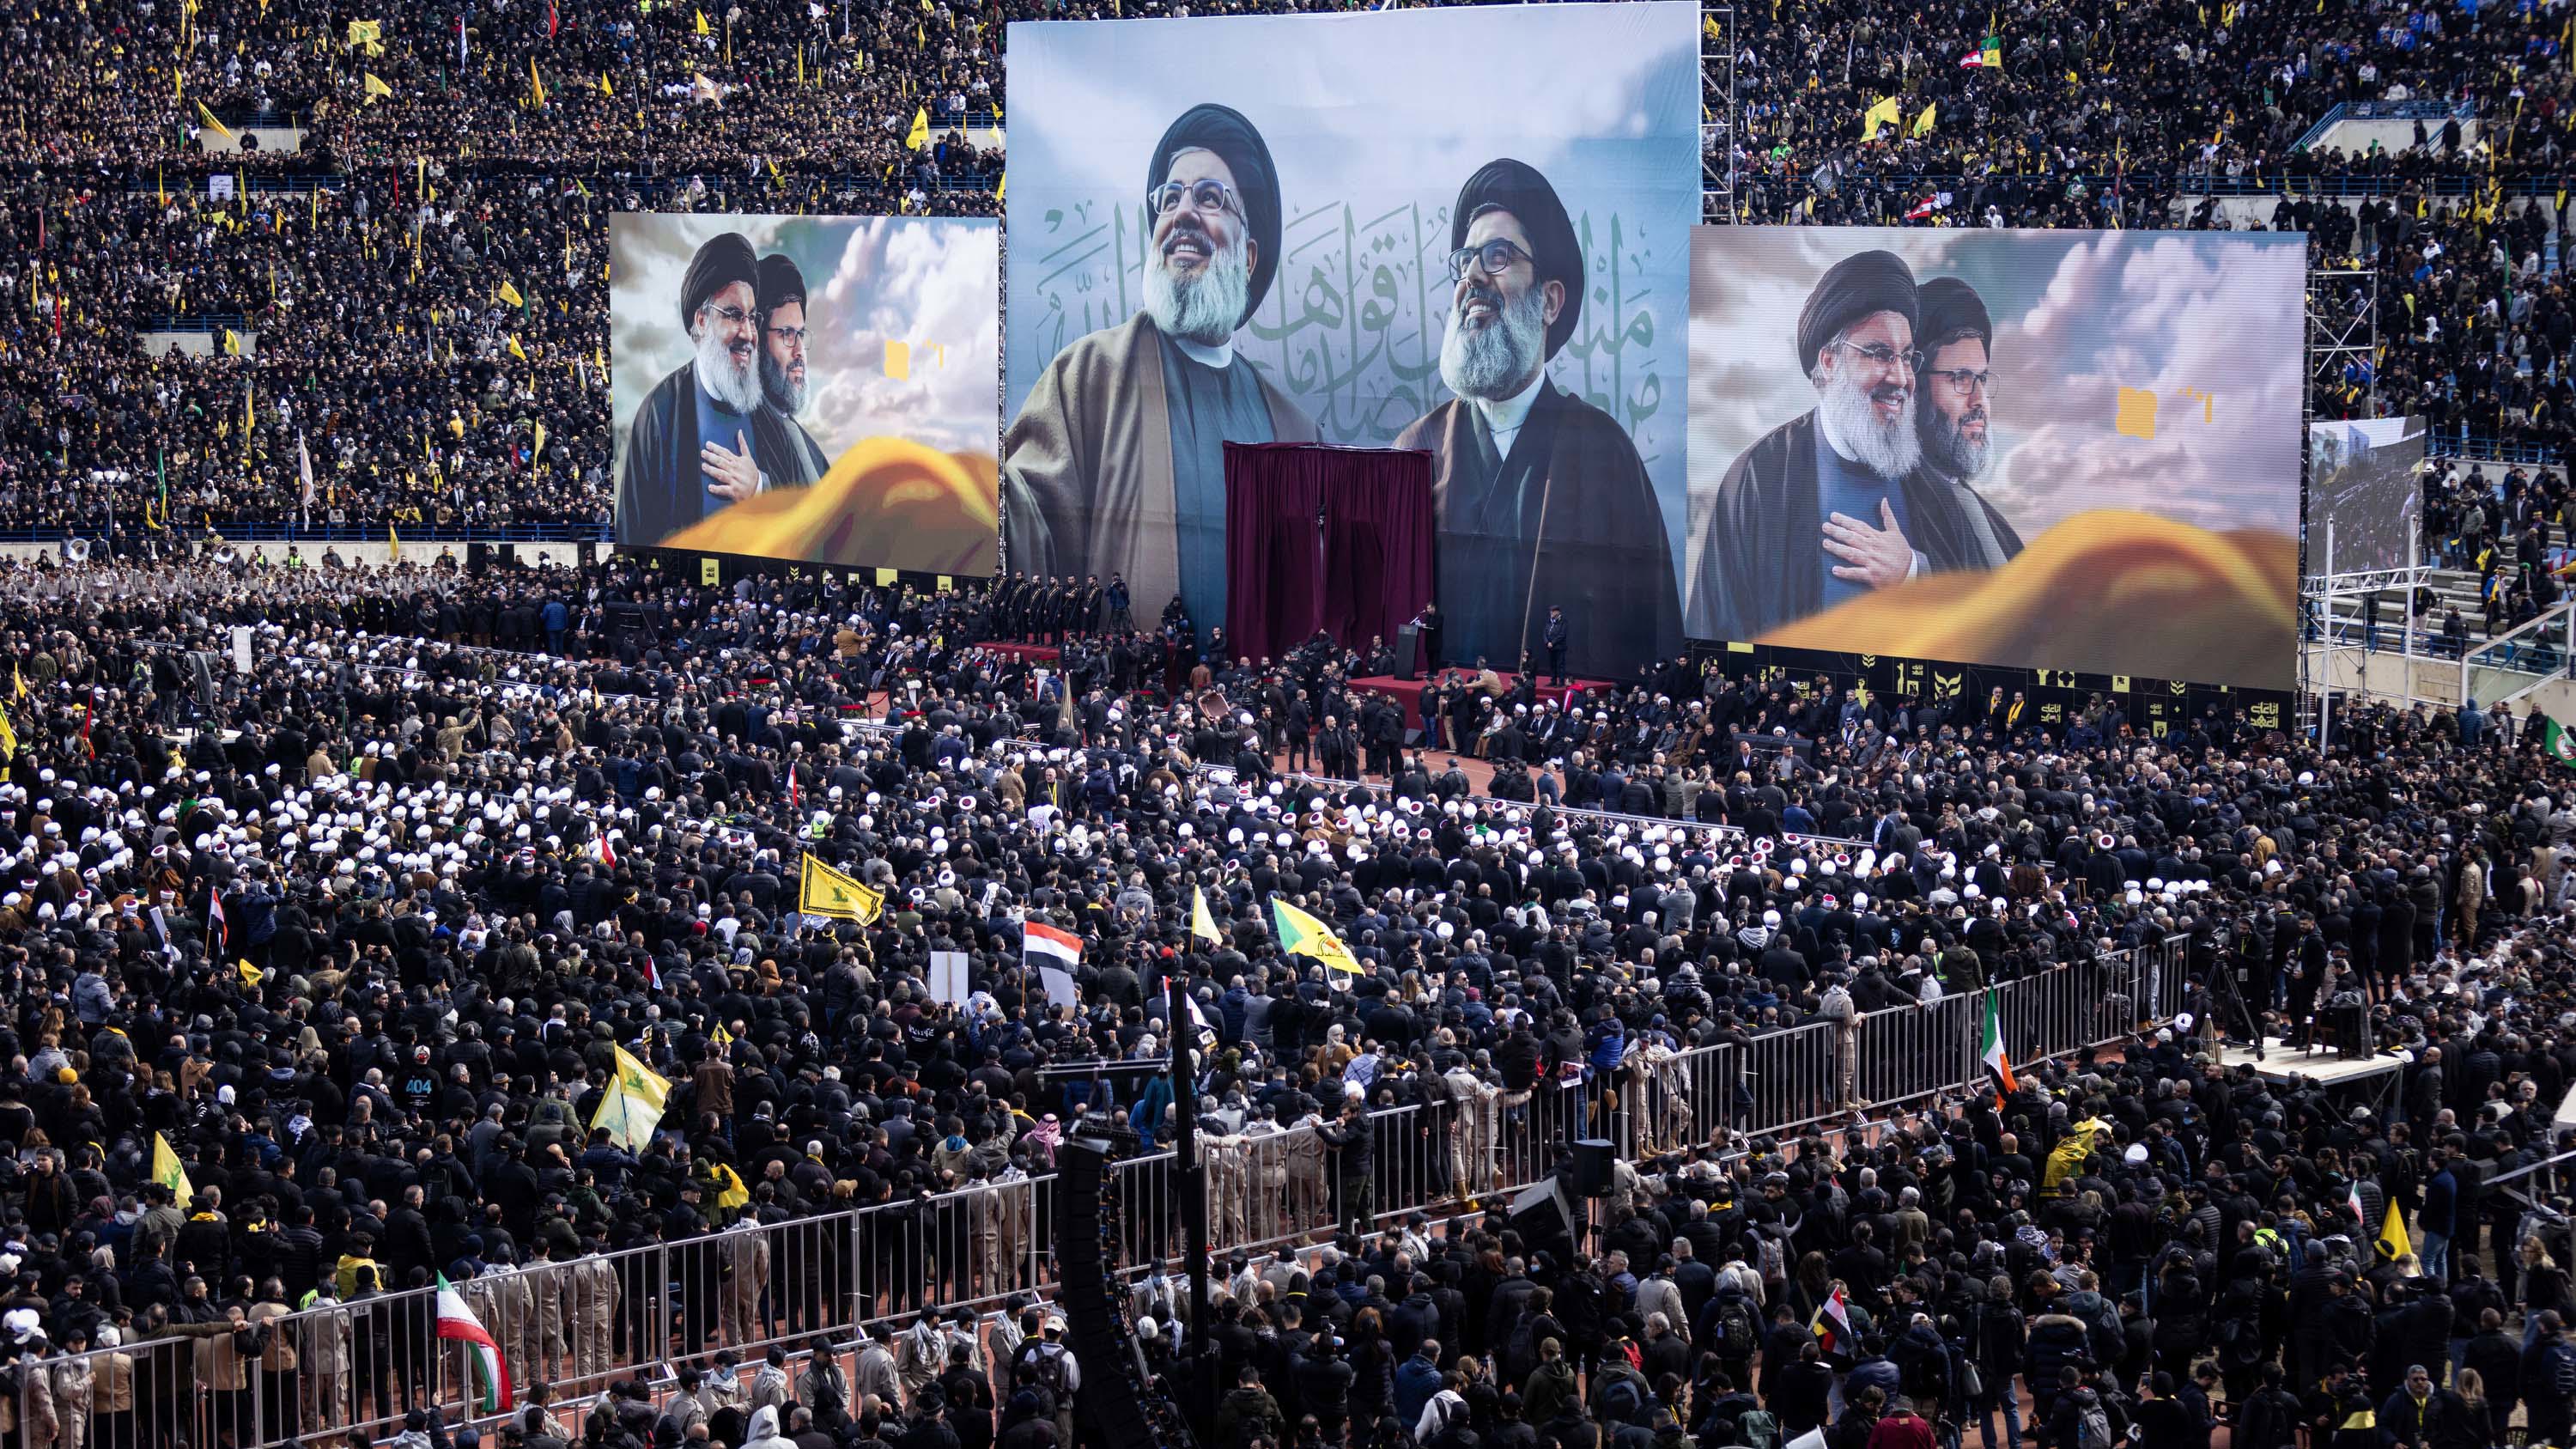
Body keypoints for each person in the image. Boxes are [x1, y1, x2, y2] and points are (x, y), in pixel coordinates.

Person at [1002, 102, 1316, 632]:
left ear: (1249, 257)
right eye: (1171, 197)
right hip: (1126, 695)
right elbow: (1023, 519)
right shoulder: (1088, 374)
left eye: (1210, 198)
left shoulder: (1292, 428)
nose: (1182, 213)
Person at [1394, 158, 1680, 679]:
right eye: (1465, 261)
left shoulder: (1605, 452)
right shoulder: (1416, 451)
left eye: (1498, 256)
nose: (1473, 277)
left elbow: (1649, 629)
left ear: (1549, 301)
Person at [1692, 250, 2023, 641]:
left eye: (1906, 357)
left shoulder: (1935, 490)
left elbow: (1987, 623)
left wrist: (1912, 574)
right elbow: (1716, 628)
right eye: (1880, 354)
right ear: (1829, 362)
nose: (1900, 377)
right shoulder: (1760, 477)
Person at [616, 231, 772, 546]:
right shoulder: (658, 412)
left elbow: (806, 505)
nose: (748, 332)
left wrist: (759, 488)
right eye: (733, 315)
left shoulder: (767, 410)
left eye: (752, 317)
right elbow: (635, 533)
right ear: (701, 320)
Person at [1908, 277, 2026, 572]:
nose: (1979, 401)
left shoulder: (1998, 528)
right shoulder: (1891, 501)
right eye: (1960, 378)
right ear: (1916, 386)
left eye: (1982, 379)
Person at [750, 251, 831, 489]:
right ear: (757, 339)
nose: (799, 351)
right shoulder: (737, 433)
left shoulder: (814, 452)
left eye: (801, 334)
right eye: (786, 333)